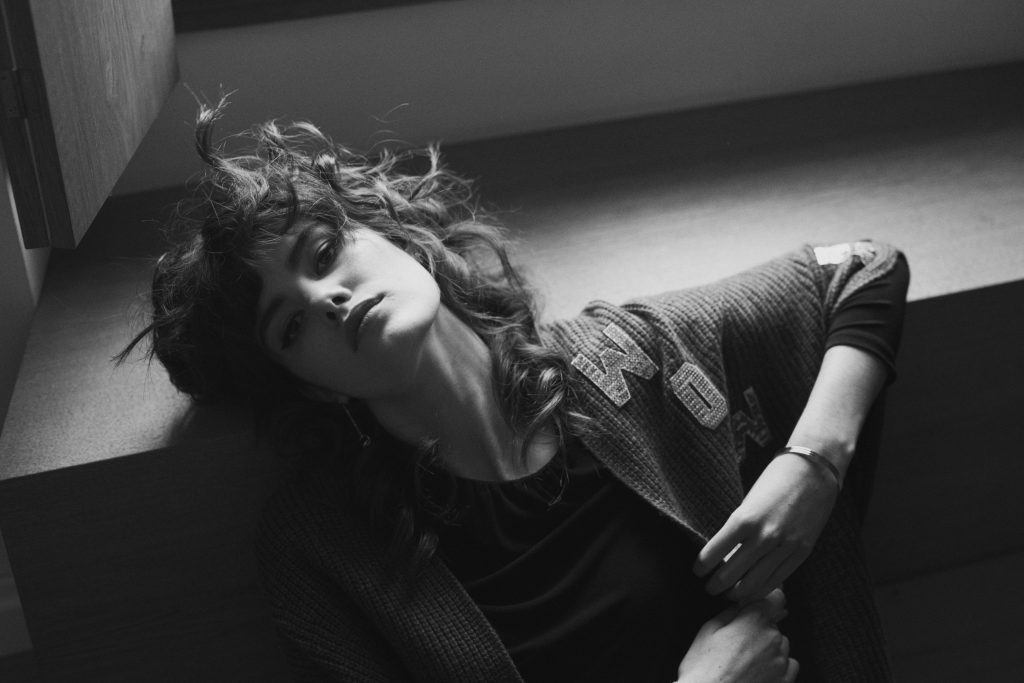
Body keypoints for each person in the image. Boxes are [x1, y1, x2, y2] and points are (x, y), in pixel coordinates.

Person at [121, 100, 909, 682]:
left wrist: (812, 465)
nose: (325, 298)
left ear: (389, 233)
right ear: (312, 388)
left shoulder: (622, 360)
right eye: (292, 325)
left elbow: (861, 269)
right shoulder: (322, 547)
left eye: (323, 252)